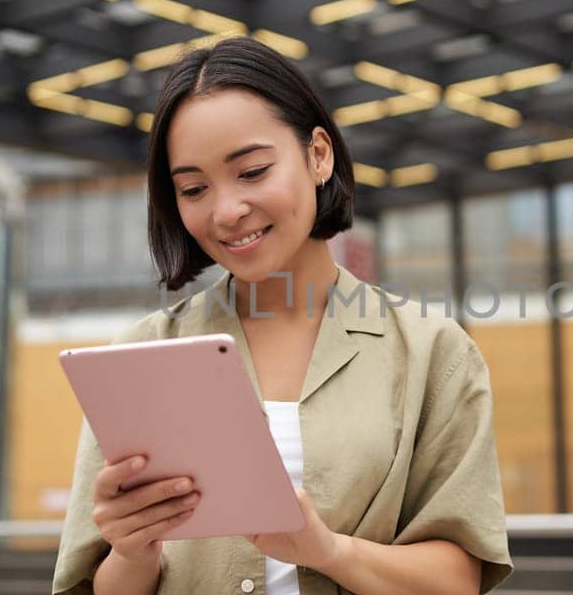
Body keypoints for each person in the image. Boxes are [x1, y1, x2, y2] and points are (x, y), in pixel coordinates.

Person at [50, 37, 512, 595]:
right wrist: (132, 549)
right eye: (193, 188)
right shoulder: (139, 358)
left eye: (251, 172)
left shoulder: (433, 353)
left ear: (319, 155)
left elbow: (458, 581)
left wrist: (328, 551)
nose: (225, 211)